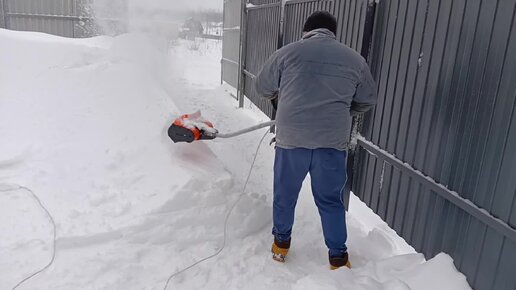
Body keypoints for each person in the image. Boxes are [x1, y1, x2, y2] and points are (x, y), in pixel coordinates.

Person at [255, 11, 377, 270]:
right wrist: (344, 111)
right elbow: (367, 99)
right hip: (331, 144)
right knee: (330, 200)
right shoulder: (355, 60)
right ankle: (338, 257)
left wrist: (282, 96)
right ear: (333, 32)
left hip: (292, 140)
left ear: (306, 31)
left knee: (285, 196)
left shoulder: (287, 53)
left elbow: (262, 86)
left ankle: (280, 246)